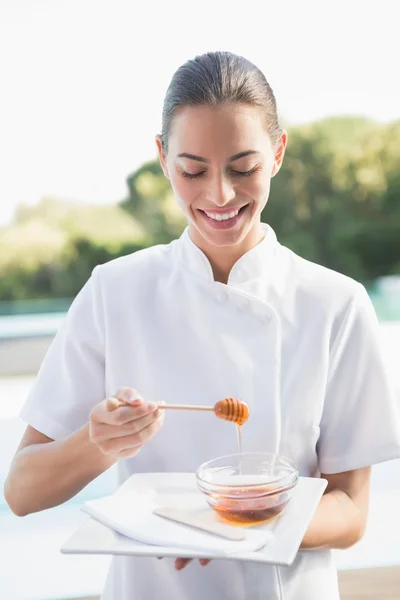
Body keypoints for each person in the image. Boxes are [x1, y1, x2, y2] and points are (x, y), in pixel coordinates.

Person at [4, 51, 400, 600]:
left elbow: (352, 512)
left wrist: (237, 527)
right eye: (193, 170)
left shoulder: (335, 303)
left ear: (278, 153)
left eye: (244, 168)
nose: (219, 195)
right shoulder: (115, 291)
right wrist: (98, 443)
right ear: (163, 158)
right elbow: (21, 492)